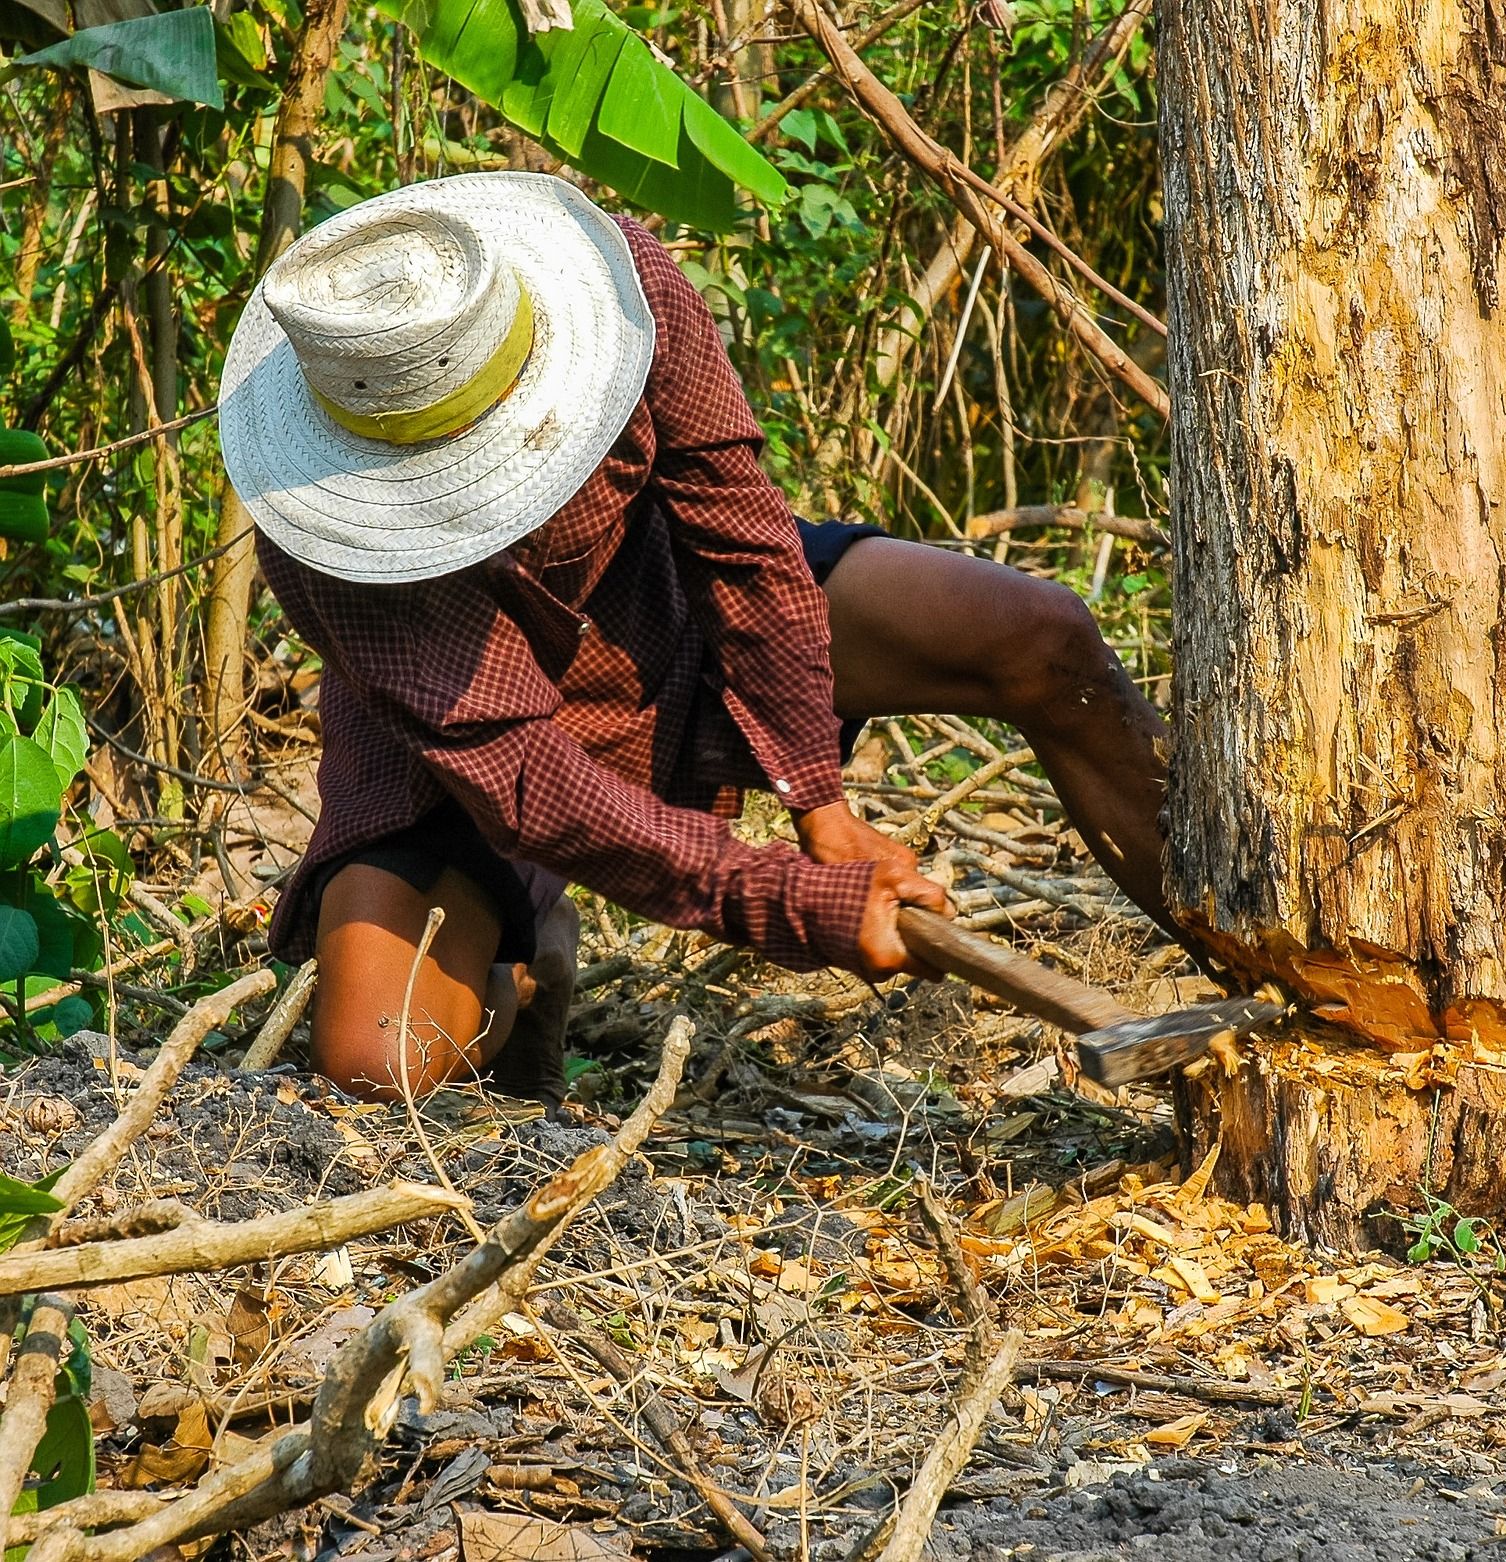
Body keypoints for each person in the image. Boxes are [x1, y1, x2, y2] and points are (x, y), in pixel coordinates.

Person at [219, 171, 1174, 1103]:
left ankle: (1264, 956)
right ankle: (524, 950)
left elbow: (750, 548)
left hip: (672, 616)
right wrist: (790, 902)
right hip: (466, 752)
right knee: (374, 1059)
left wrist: (821, 808)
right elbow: (522, 778)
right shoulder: (323, 548)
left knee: (1040, 636)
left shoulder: (628, 294)